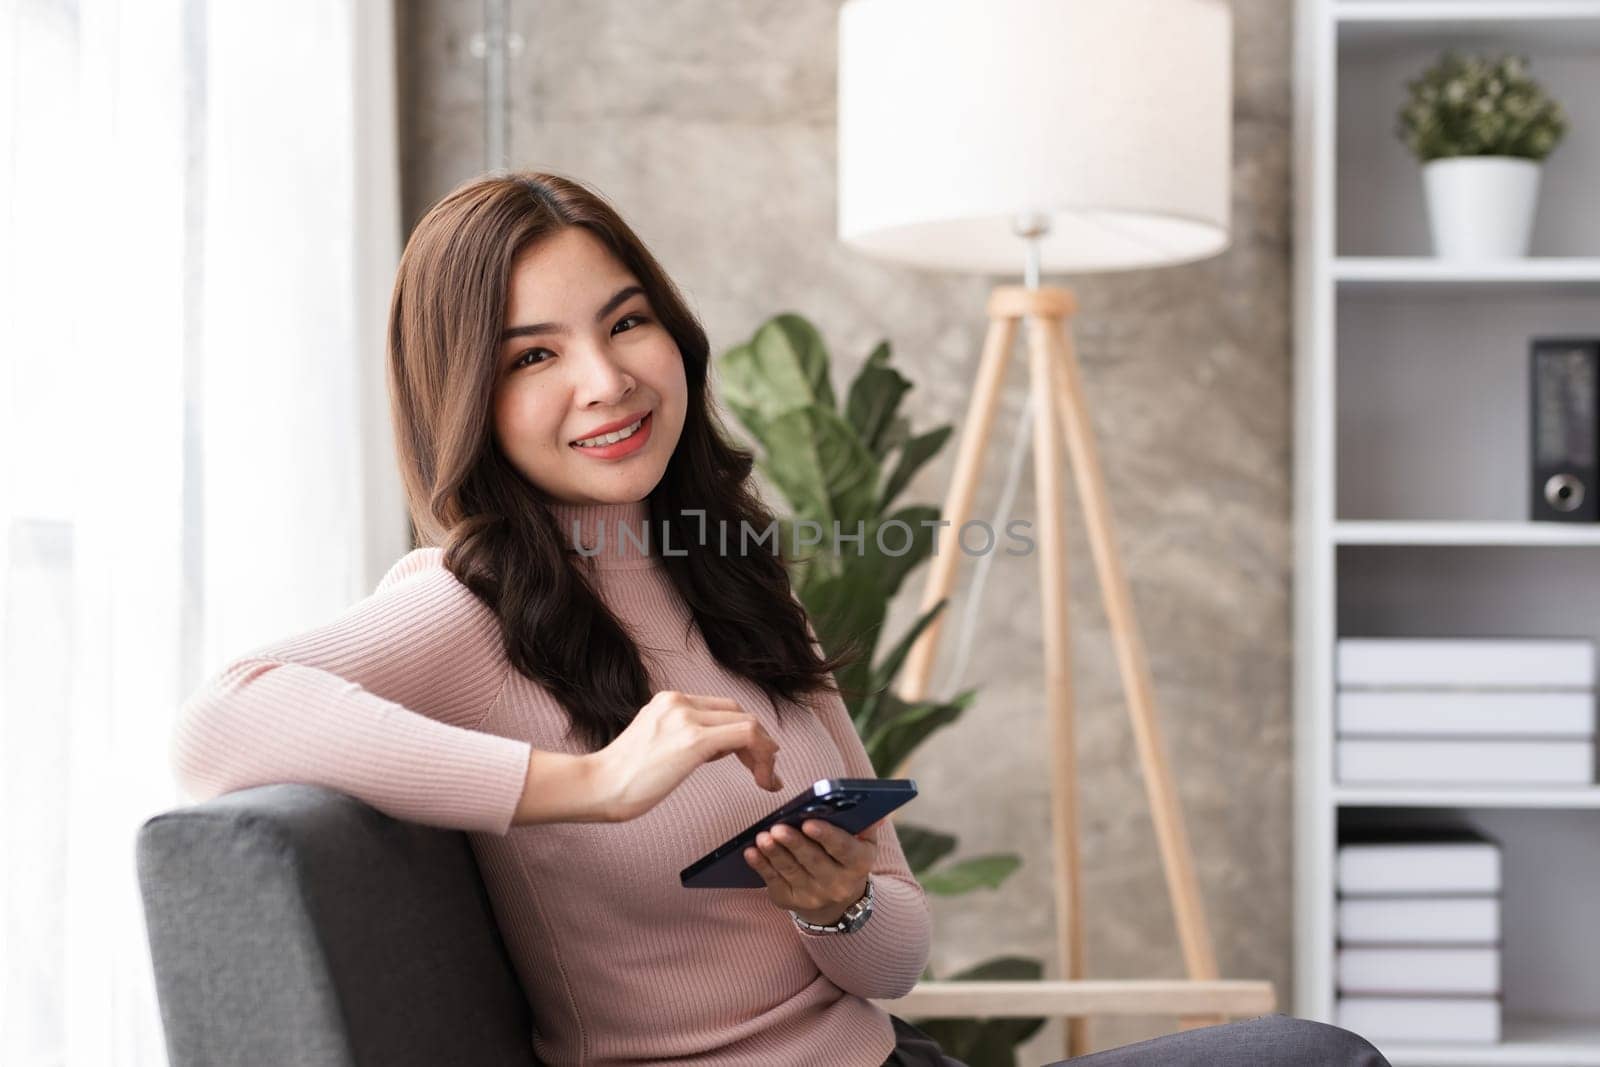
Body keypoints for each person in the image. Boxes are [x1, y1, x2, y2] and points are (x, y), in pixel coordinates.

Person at [170, 170, 1390, 1067]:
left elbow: (896, 953)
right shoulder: (460, 602)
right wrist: (582, 783)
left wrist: (833, 901)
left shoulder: (724, 568)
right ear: (466, 398)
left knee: (1309, 1055)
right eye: (532, 355)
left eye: (627, 320)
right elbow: (221, 723)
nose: (607, 379)